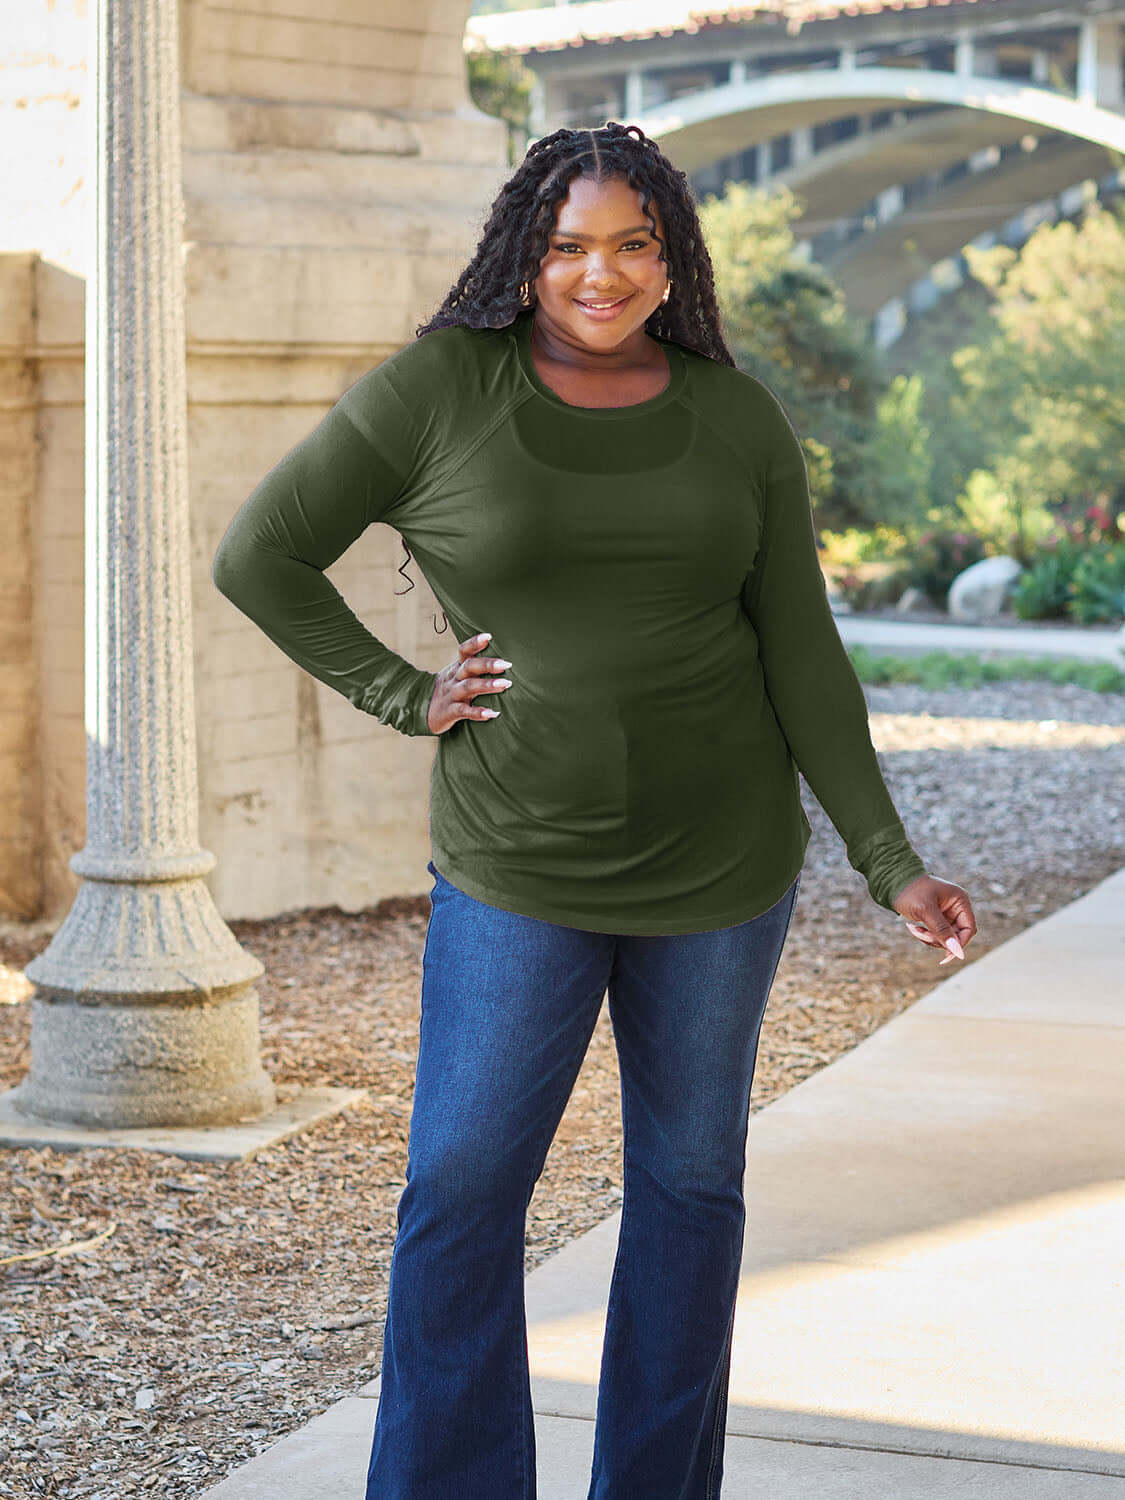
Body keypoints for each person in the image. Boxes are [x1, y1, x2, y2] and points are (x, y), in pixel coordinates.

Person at [212, 122, 976, 1499]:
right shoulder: (445, 388)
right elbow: (260, 555)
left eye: (632, 243)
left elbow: (797, 648)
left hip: (724, 866)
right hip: (516, 863)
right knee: (457, 1189)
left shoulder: (732, 416)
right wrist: (402, 692)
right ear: (523, 254)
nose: (598, 274)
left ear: (673, 256)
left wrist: (888, 859)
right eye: (567, 245)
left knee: (689, 1196)